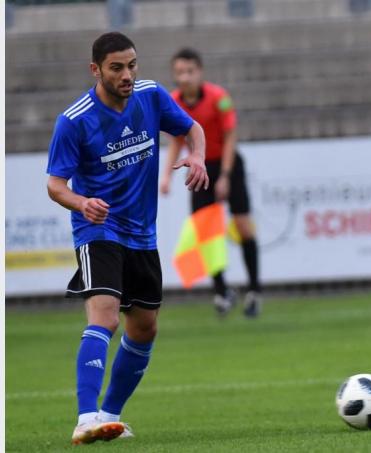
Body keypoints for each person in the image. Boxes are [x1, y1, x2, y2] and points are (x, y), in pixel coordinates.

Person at [46, 32, 208, 444]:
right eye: (117, 67)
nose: (127, 74)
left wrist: (197, 156)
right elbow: (55, 185)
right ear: (96, 69)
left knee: (145, 328)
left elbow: (193, 128)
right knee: (105, 316)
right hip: (98, 230)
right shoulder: (74, 120)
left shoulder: (150, 95)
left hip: (142, 234)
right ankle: (85, 418)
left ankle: (109, 417)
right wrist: (81, 203)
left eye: (131, 65)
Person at [160, 47, 262, 318]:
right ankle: (221, 292)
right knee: (206, 232)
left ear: (200, 71)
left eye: (189, 71)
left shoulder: (219, 98)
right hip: (200, 167)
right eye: (180, 72)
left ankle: (254, 290)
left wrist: (226, 176)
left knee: (242, 226)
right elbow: (178, 141)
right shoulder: (173, 101)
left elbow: (230, 137)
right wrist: (167, 176)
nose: (185, 77)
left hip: (228, 165)